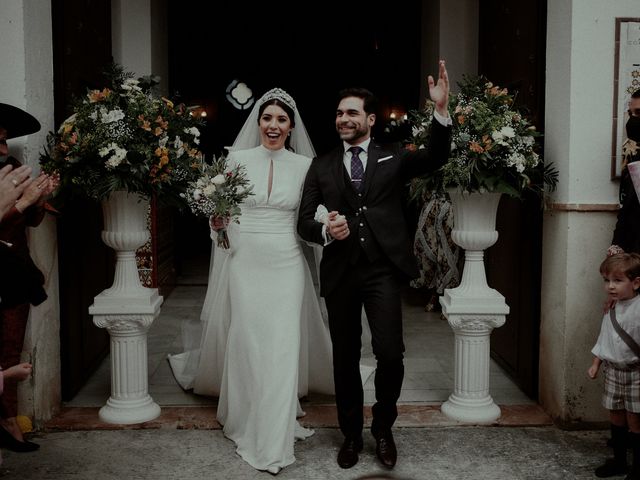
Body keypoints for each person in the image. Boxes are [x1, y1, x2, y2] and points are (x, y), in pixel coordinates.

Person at [168, 88, 334, 475]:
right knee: (247, 340)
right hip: (245, 261)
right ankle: (246, 415)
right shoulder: (236, 159)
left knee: (281, 343)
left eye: (281, 119)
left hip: (287, 263)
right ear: (257, 122)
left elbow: (316, 211)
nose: (273, 126)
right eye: (267, 118)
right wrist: (217, 225)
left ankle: (273, 434)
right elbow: (220, 221)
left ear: (291, 126)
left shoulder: (305, 166)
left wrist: (328, 224)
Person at [296, 60, 452, 470]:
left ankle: (383, 429)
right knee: (344, 357)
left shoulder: (394, 156)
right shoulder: (321, 165)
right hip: (341, 273)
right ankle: (350, 434)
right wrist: (327, 231)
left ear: (369, 119)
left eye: (351, 113)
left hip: (382, 270)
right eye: (338, 113)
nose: (342, 119)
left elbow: (436, 156)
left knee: (390, 352)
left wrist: (440, 111)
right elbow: (304, 221)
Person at [0, 104, 57, 452]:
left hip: (13, 273)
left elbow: (31, 221)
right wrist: (18, 206)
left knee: (9, 349)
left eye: (5, 140)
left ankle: (9, 421)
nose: (3, 148)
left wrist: (41, 198)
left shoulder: (13, 169)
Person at [588, 253, 640, 479]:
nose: (610, 286)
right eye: (607, 280)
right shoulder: (611, 309)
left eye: (618, 281)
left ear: (635, 283)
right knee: (616, 415)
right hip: (613, 371)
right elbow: (605, 337)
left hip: (636, 373)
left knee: (634, 419)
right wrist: (595, 363)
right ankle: (619, 461)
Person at [609, 89, 640, 258]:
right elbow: (627, 206)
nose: (633, 119)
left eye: (639, 112)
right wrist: (617, 244)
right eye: (631, 113)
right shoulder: (633, 155)